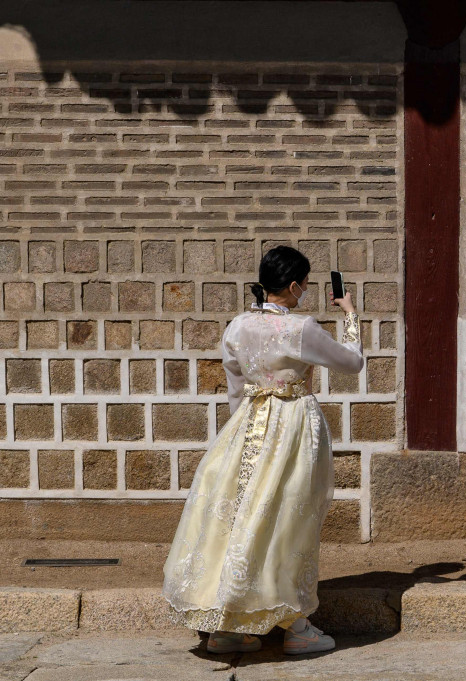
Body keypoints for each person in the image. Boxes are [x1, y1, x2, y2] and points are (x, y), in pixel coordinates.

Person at [162, 245, 363, 654]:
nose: (305, 292)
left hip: (245, 428)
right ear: (293, 285)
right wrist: (350, 316)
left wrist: (242, 438)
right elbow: (352, 363)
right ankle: (297, 625)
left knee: (239, 519)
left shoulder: (237, 327)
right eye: (305, 285)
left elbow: (236, 389)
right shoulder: (300, 328)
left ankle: (230, 625)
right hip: (292, 425)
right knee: (290, 519)